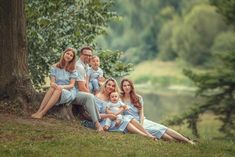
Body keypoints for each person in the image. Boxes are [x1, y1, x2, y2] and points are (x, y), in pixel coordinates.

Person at [120, 78, 195, 144]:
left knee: (163, 128)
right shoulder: (120, 99)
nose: (127, 87)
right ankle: (179, 142)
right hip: (132, 123)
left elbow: (141, 114)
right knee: (159, 131)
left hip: (142, 121)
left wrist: (141, 124)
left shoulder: (138, 98)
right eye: (124, 85)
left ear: (131, 86)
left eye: (128, 85)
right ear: (122, 87)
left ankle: (188, 141)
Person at [31, 48, 78, 119]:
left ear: (72, 58)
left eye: (71, 55)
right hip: (56, 88)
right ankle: (39, 110)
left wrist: (61, 87)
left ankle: (43, 112)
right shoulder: (55, 67)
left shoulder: (73, 70)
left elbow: (71, 86)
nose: (68, 56)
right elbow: (52, 82)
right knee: (53, 87)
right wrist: (54, 84)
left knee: (58, 89)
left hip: (68, 91)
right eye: (67, 53)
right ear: (64, 54)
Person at [73, 46, 103, 131]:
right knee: (90, 97)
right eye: (86, 55)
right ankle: (97, 124)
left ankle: (98, 117)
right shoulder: (79, 67)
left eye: (90, 55)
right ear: (81, 55)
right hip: (74, 92)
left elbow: (87, 81)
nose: (88, 57)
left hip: (80, 90)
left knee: (92, 85)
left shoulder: (86, 66)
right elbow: (81, 87)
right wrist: (91, 94)